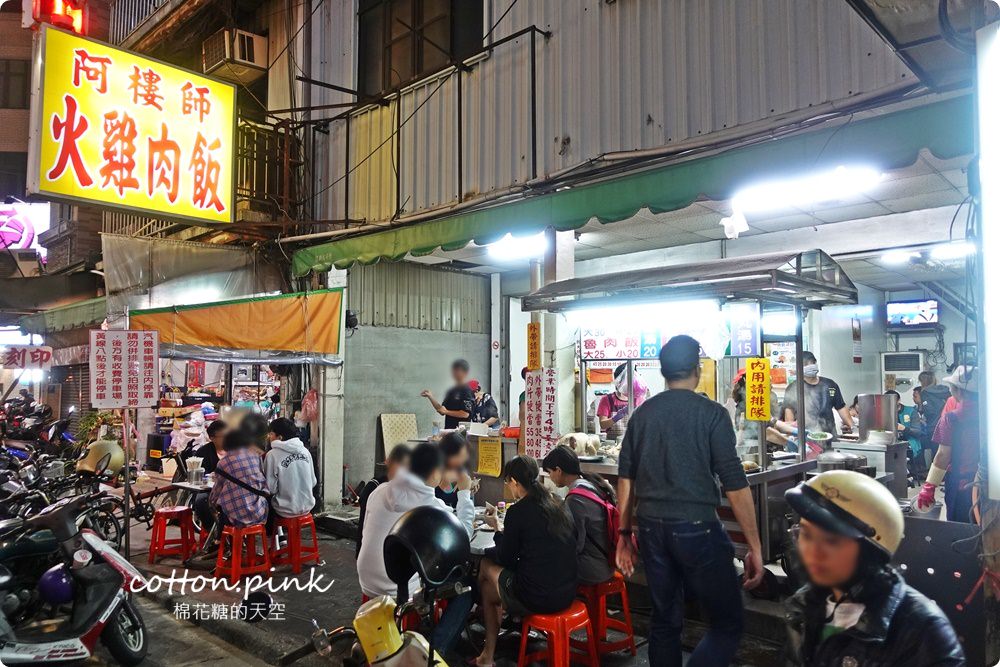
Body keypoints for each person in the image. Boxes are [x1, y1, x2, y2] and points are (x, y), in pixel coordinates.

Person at [616, 334, 763, 667]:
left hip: (651, 529)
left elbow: (626, 478)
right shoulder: (712, 414)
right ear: (697, 370)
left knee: (664, 620)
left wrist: (624, 535)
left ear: (663, 372)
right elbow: (734, 483)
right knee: (727, 623)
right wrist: (754, 546)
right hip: (697, 529)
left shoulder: (642, 415)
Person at [784, 470, 964, 666]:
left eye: (831, 541)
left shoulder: (923, 632)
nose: (813, 552)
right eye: (806, 534)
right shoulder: (803, 605)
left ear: (870, 551)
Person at [356, 442, 474, 654]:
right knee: (465, 588)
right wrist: (465, 493)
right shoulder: (431, 506)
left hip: (366, 580)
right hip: (397, 590)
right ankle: (436, 651)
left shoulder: (380, 490)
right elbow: (462, 537)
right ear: (436, 472)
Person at [474, 456, 578, 667]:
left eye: (507, 482)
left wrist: (497, 530)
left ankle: (487, 652)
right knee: (489, 588)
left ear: (514, 481)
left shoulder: (517, 512)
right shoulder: (558, 502)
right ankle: (495, 638)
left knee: (485, 567)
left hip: (537, 597)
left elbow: (505, 558)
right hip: (568, 592)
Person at [541, 444, 616, 585]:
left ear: (558, 470)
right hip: (607, 562)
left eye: (550, 472)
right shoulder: (591, 483)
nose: (550, 477)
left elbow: (575, 546)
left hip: (594, 568)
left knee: (541, 565)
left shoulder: (575, 498)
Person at [915, 366, 979, 522]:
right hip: (988, 483)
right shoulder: (992, 416)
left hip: (961, 486)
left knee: (960, 530)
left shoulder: (951, 419)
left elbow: (942, 455)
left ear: (958, 390)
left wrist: (930, 486)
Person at [356, 444, 411, 558]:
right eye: (400, 465)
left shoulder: (405, 488)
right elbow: (365, 520)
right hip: (370, 547)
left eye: (406, 467)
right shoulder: (375, 485)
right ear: (388, 463)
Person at [782, 351, 854, 435]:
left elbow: (841, 408)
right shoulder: (793, 388)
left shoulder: (830, 384)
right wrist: (791, 436)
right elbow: (789, 419)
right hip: (805, 437)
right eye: (806, 364)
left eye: (812, 363)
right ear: (799, 367)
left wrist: (853, 428)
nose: (810, 366)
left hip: (830, 436)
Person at [209, 430, 268, 527]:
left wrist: (212, 504)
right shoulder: (256, 456)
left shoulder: (223, 463)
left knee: (213, 506)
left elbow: (216, 493)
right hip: (259, 512)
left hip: (235, 518)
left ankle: (220, 535)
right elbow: (262, 480)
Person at [265, 417, 317, 521]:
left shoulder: (272, 455)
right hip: (308, 507)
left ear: (279, 437)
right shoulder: (305, 451)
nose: (269, 437)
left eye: (271, 434)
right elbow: (313, 482)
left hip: (285, 510)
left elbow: (270, 489)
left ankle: (273, 531)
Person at [597, 363, 647, 440]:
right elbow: (603, 425)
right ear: (618, 380)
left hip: (634, 441)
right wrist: (616, 417)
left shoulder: (639, 399)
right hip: (613, 443)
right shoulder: (607, 399)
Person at [192, 420, 227, 530]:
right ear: (212, 438)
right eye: (223, 436)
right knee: (201, 501)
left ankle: (228, 532)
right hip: (210, 491)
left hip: (230, 490)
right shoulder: (203, 452)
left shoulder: (234, 451)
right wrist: (210, 476)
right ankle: (213, 531)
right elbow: (200, 475)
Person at [420, 359, 475, 430]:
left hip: (462, 432)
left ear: (465, 373)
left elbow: (465, 414)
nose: (455, 373)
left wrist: (446, 412)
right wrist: (430, 396)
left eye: (458, 370)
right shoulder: (451, 391)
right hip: (448, 430)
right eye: (454, 370)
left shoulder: (467, 390)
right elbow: (441, 410)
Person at [916, 370, 952, 466]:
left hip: (934, 427)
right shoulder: (945, 391)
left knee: (936, 454)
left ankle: (937, 475)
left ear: (923, 381)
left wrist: (922, 411)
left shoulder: (925, 393)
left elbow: (929, 411)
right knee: (947, 454)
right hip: (948, 425)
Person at [435, 431, 470, 509]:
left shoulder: (460, 470)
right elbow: (428, 501)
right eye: (459, 456)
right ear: (447, 455)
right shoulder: (434, 472)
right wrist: (443, 485)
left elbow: (458, 503)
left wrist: (467, 490)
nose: (463, 460)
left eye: (464, 455)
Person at [884, 390, 923, 459]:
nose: (889, 404)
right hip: (890, 445)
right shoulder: (884, 413)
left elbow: (918, 432)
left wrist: (904, 429)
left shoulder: (911, 411)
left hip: (910, 445)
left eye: (891, 401)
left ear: (898, 400)